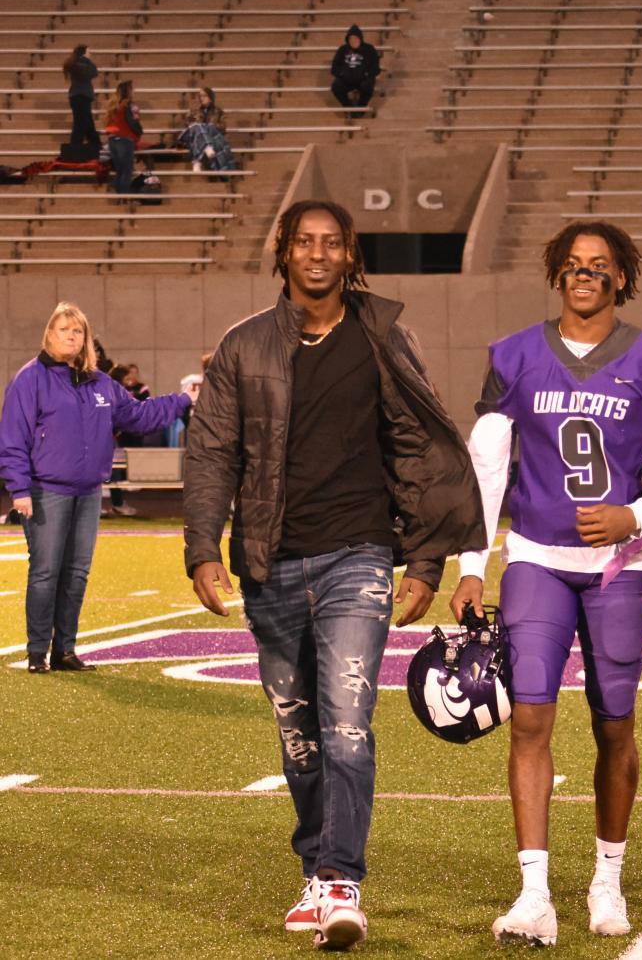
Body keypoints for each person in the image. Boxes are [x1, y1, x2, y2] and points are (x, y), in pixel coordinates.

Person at [183, 199, 484, 951]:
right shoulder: (244, 345)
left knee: (347, 725)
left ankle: (342, 880)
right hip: (269, 563)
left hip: (359, 558)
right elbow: (213, 451)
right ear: (282, 251)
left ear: (350, 255)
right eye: (303, 242)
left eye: (332, 244)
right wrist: (202, 547)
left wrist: (424, 559)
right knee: (299, 736)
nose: (317, 254)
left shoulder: (384, 336)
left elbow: (417, 447)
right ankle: (316, 868)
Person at [448, 220, 642, 947]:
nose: (585, 275)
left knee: (613, 724)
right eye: (573, 265)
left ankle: (607, 876)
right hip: (536, 556)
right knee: (529, 717)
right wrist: (472, 566)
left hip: (618, 569)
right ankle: (533, 892)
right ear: (557, 276)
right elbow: (489, 470)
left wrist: (634, 513)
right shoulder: (515, 356)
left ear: (621, 277)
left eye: (599, 266)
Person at [0, 304, 190, 674]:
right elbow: (12, 439)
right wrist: (18, 489)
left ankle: (65, 650)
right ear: (49, 335)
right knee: (45, 571)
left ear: (86, 339)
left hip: (88, 492)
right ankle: (38, 651)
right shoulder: (31, 379)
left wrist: (184, 400)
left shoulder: (100, 382)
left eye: (78, 332)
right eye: (64, 330)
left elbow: (140, 415)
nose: (71, 337)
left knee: (77, 573)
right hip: (45, 491)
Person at [177, 86, 238, 172]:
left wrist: (209, 127)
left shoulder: (218, 111)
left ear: (210, 97)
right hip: (196, 138)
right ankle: (207, 147)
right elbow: (187, 125)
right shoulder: (194, 111)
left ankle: (197, 161)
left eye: (204, 96)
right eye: (200, 96)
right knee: (197, 127)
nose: (201, 98)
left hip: (213, 137)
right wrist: (200, 126)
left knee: (205, 127)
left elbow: (223, 127)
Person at [103, 80, 142, 196]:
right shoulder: (131, 105)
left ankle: (119, 197)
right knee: (127, 171)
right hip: (125, 139)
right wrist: (139, 133)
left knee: (119, 171)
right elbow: (135, 122)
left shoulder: (112, 106)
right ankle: (124, 198)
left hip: (112, 140)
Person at [330, 25, 381, 113]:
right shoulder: (343, 50)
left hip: (363, 79)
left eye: (356, 39)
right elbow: (335, 67)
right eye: (351, 39)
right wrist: (342, 74)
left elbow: (375, 67)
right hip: (346, 79)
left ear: (360, 38)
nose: (354, 41)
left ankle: (361, 108)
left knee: (368, 86)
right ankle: (348, 107)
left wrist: (367, 75)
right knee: (336, 86)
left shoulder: (369, 49)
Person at [61, 43, 100, 148]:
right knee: (81, 123)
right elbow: (93, 72)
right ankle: (76, 146)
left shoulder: (76, 63)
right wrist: (87, 60)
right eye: (88, 52)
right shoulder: (80, 64)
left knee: (86, 121)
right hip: (81, 96)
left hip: (79, 96)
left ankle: (95, 143)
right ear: (83, 53)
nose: (90, 54)